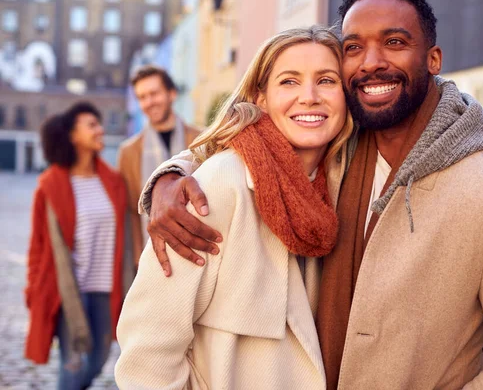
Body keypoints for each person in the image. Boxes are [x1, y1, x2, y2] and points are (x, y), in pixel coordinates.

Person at [140, 0, 483, 388]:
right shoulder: (339, 149)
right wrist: (170, 176)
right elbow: (255, 145)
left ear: (434, 58)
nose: (371, 63)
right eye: (353, 48)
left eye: (395, 43)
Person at [114, 26, 353, 389]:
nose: (309, 96)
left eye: (326, 80)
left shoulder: (343, 181)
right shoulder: (217, 185)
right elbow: (147, 349)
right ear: (261, 99)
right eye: (289, 82)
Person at [25, 103, 128, 390]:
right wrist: (33, 290)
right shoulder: (50, 186)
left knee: (99, 358)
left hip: (106, 286)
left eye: (99, 124)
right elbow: (38, 245)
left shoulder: (113, 181)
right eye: (91, 125)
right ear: (72, 136)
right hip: (70, 290)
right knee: (72, 364)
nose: (100, 130)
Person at [117, 65, 201, 265]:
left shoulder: (201, 140)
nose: (148, 102)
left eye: (154, 94)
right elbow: (131, 212)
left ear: (171, 94)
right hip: (150, 258)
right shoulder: (128, 152)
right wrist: (139, 259)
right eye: (142, 97)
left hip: (200, 250)